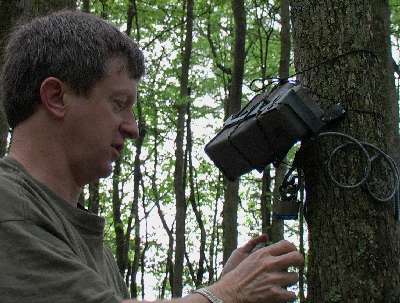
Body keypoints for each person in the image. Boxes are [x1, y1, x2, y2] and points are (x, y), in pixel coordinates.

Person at [0, 10, 304, 303]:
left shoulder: (79, 232)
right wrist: (225, 294)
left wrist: (220, 288)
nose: (132, 128)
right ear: (56, 97)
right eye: (119, 103)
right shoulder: (8, 203)